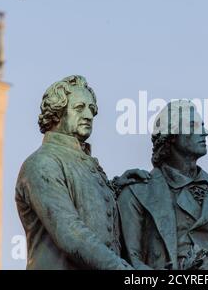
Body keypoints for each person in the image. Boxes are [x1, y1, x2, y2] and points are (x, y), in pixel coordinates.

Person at [15, 75, 149, 269]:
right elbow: (71, 233)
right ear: (57, 113)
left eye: (92, 109)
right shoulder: (42, 163)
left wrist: (116, 188)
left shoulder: (85, 164)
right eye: (79, 108)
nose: (89, 115)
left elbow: (88, 204)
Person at [118, 100, 208, 270]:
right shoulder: (137, 192)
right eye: (193, 126)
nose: (205, 132)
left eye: (202, 125)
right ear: (171, 136)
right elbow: (129, 262)